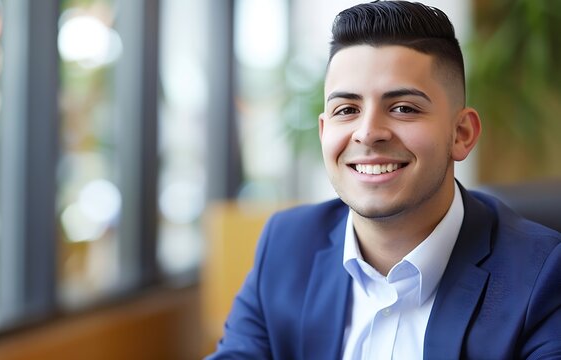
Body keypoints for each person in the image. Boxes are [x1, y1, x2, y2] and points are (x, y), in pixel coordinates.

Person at [207, 1, 561, 359]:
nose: (368, 133)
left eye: (403, 108)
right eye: (347, 110)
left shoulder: (543, 276)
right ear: (323, 131)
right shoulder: (286, 246)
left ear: (461, 134)